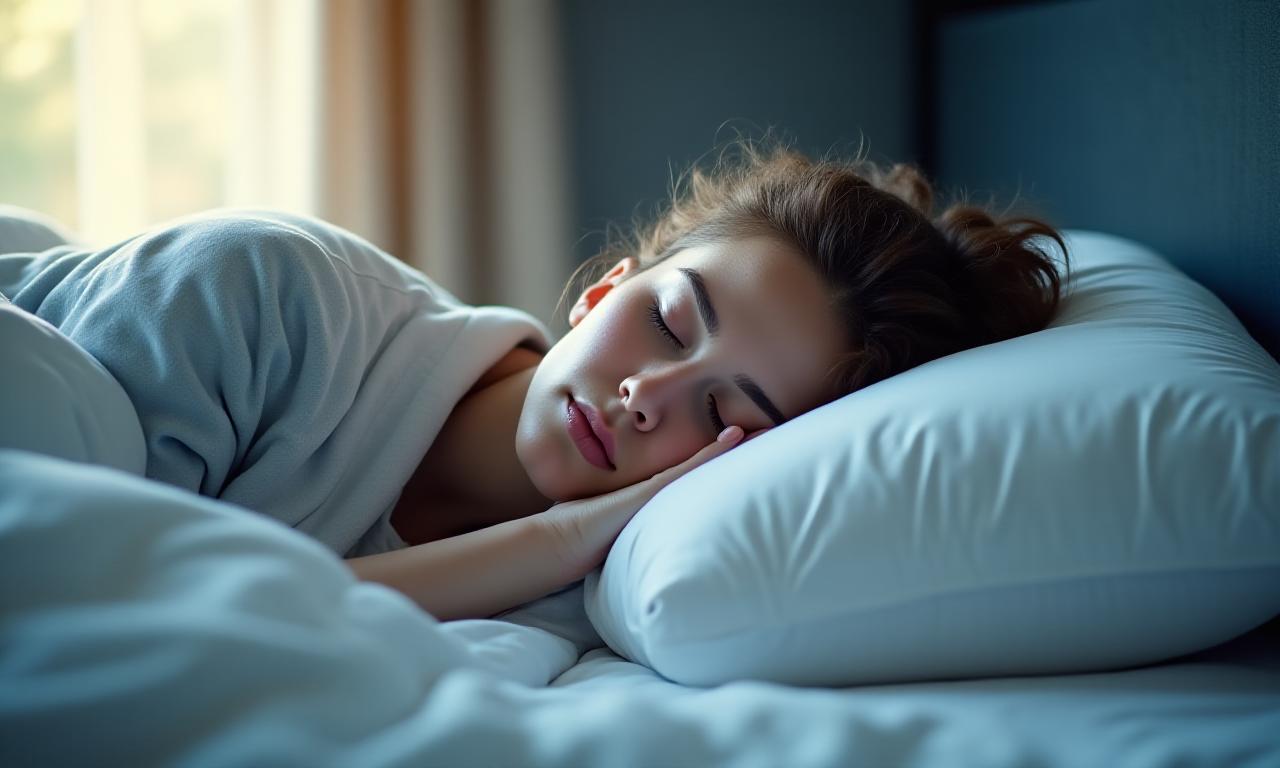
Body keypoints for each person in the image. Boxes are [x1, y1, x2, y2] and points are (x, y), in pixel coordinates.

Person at [0, 139, 1069, 622]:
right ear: (605, 288)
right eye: (665, 321)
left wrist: (559, 551)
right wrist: (543, 540)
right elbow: (86, 579)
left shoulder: (599, 606)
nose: (650, 395)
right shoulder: (269, 295)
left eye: (723, 411)